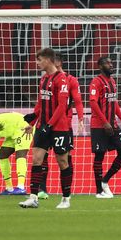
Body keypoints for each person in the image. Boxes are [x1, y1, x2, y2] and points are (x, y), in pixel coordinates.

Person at [19, 48, 73, 209]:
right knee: (36, 159)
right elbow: (40, 104)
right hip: (44, 126)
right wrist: (33, 122)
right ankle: (33, 197)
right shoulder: (43, 79)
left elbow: (62, 105)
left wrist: (49, 125)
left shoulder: (62, 79)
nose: (37, 63)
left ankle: (66, 199)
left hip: (59, 127)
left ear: (49, 60)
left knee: (62, 161)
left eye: (39, 60)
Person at [36, 53, 84, 200]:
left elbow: (77, 100)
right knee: (41, 156)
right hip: (47, 123)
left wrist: (81, 119)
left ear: (59, 63)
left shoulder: (70, 80)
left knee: (65, 158)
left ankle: (67, 189)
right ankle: (41, 189)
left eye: (55, 61)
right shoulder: (45, 79)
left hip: (64, 125)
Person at [89, 57, 121, 199]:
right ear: (100, 66)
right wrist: (104, 122)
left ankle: (105, 181)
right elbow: (93, 103)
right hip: (99, 126)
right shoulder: (96, 82)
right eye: (108, 63)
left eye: (111, 62)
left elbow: (114, 104)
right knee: (99, 156)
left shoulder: (112, 82)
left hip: (113, 125)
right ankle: (98, 191)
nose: (111, 64)